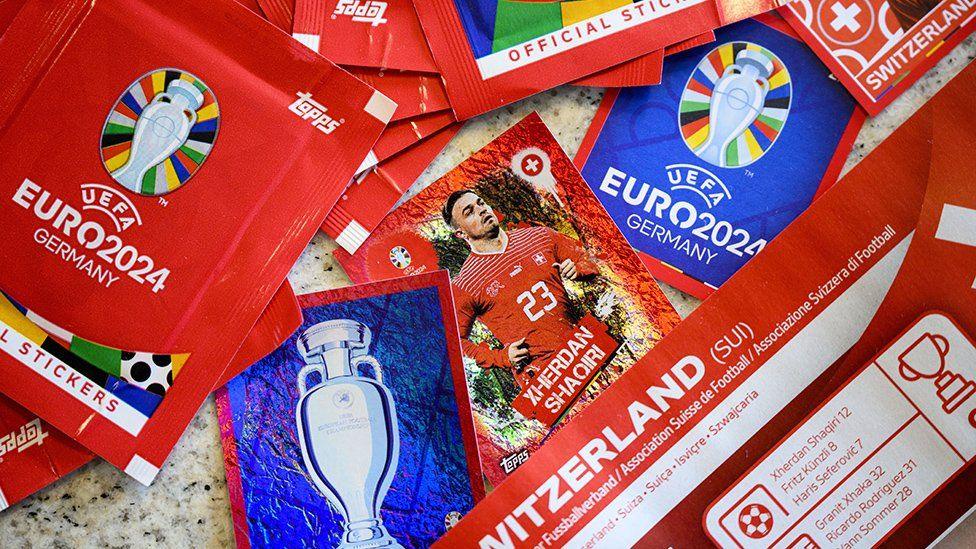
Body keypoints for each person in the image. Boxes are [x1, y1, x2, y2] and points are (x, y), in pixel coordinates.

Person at [442, 189, 599, 389]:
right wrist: (500, 357)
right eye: (469, 212)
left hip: (586, 349)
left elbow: (589, 258)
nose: (481, 210)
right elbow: (453, 342)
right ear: (460, 233)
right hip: (544, 378)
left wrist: (579, 268)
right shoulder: (466, 284)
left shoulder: (538, 236)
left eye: (481, 203)